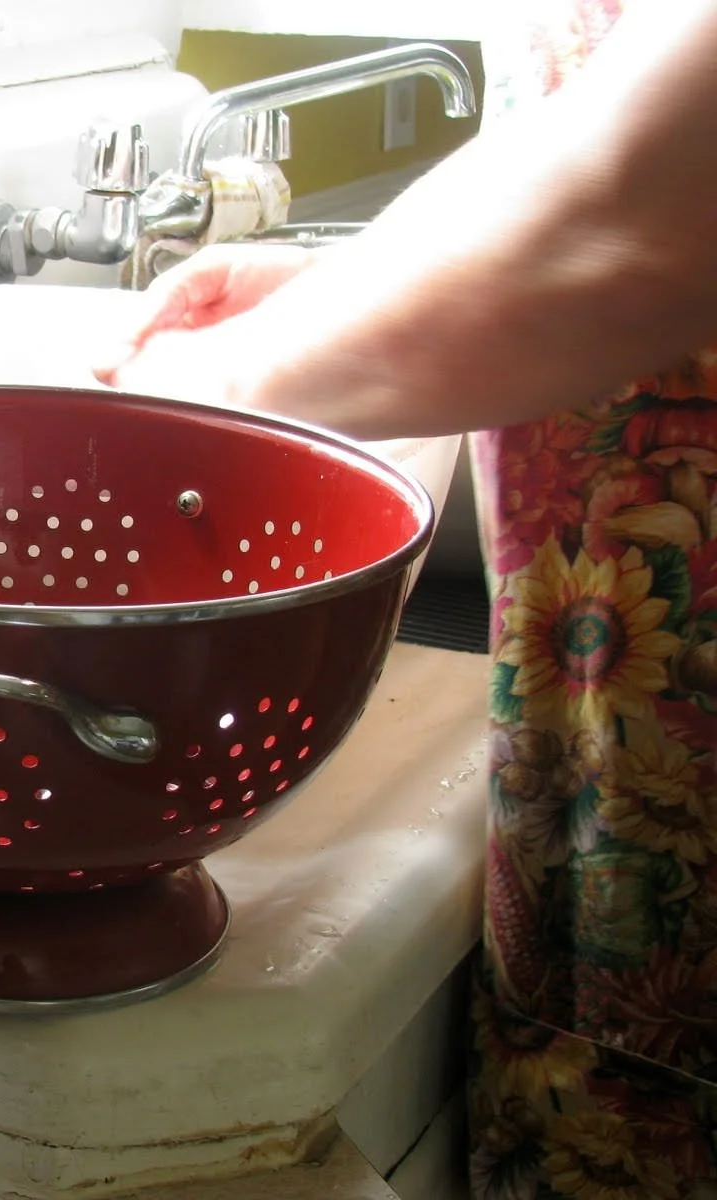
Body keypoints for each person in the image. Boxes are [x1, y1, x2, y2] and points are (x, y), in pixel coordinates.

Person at [99, 2, 717, 1195]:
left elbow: (636, 220)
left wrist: (216, 385)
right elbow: (582, 151)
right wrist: (340, 289)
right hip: (621, 778)